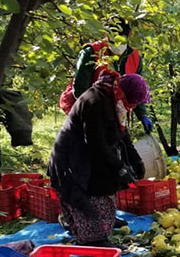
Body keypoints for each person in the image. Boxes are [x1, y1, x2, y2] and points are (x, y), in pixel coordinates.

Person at [48, 71, 150, 250]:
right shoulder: (95, 101)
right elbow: (96, 143)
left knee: (105, 186)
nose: (132, 106)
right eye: (132, 102)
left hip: (89, 154)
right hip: (74, 157)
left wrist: (136, 161)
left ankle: (92, 229)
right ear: (124, 92)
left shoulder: (114, 100)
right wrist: (120, 168)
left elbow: (122, 134)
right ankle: (93, 240)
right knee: (92, 193)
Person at [59, 17, 153, 134]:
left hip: (115, 113)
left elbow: (136, 89)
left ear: (129, 35)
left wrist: (142, 115)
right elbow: (80, 90)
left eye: (120, 40)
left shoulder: (134, 58)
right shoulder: (92, 52)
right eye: (113, 40)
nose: (117, 45)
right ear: (106, 34)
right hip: (86, 111)